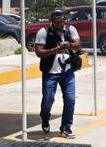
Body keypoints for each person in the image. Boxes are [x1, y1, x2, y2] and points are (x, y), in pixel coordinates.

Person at [34, 9, 82, 139]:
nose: (59, 24)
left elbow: (78, 44)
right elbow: (39, 52)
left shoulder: (70, 29)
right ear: (51, 21)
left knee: (70, 99)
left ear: (65, 20)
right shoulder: (43, 32)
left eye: (61, 21)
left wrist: (69, 44)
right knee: (48, 99)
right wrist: (54, 50)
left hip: (67, 71)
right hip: (50, 72)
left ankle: (66, 128)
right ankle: (45, 117)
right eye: (56, 22)